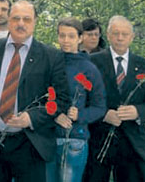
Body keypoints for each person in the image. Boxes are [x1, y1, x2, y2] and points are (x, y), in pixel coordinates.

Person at [0, 0, 70, 182]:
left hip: (30, 144)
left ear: (35, 21)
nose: (21, 24)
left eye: (27, 19)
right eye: (16, 18)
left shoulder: (51, 56)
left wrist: (32, 118)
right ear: (9, 20)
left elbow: (62, 100)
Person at [83, 16, 145, 182]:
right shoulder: (91, 63)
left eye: (124, 34)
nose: (120, 38)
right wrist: (103, 114)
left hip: (132, 144)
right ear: (107, 35)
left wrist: (138, 111)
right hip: (97, 142)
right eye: (115, 33)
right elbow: (82, 99)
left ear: (132, 37)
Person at [45, 17, 106, 182]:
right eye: (62, 35)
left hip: (74, 140)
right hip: (47, 139)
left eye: (71, 36)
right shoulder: (49, 62)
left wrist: (80, 114)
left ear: (80, 38)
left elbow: (100, 107)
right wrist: (55, 114)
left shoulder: (89, 68)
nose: (66, 41)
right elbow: (40, 96)